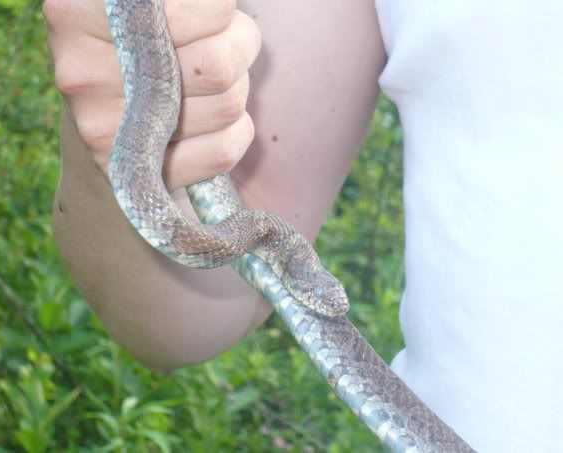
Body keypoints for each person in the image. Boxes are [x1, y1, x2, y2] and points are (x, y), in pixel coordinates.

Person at [43, 1, 563, 451]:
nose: (333, 308)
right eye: (321, 296)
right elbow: (177, 324)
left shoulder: (257, 237)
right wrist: (108, 118)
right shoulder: (255, 229)